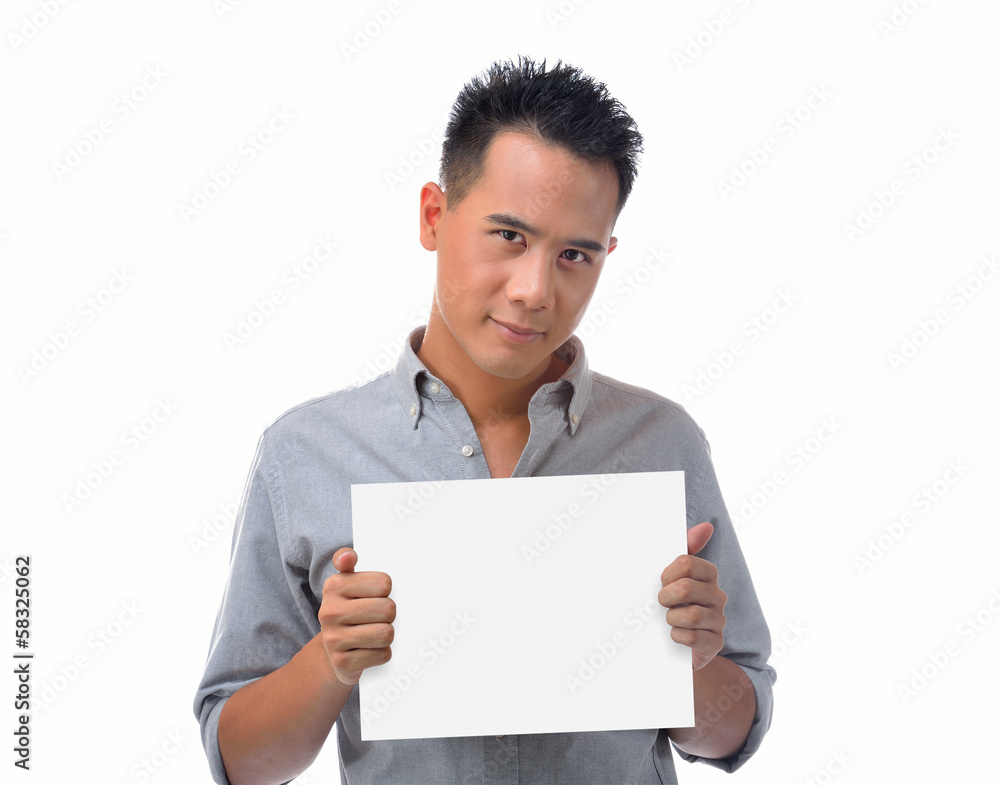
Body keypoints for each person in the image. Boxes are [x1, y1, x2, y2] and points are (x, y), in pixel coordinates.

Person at [194, 56, 775, 785]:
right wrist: (331, 659)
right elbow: (240, 762)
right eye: (509, 236)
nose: (535, 290)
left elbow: (734, 731)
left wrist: (689, 664)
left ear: (607, 256)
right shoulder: (306, 454)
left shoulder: (662, 442)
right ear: (434, 216)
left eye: (574, 255)